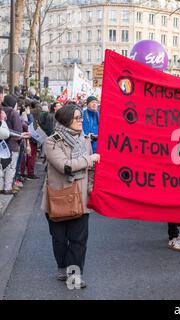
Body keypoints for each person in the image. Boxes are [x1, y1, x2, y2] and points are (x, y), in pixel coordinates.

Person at [42, 104, 100, 289]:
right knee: (59, 239)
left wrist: (91, 188)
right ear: (66, 120)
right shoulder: (52, 141)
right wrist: (89, 159)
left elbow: (91, 170)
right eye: (77, 118)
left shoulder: (85, 140)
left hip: (81, 197)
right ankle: (62, 266)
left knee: (78, 239)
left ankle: (74, 275)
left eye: (80, 118)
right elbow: (64, 166)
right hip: (58, 197)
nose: (81, 120)